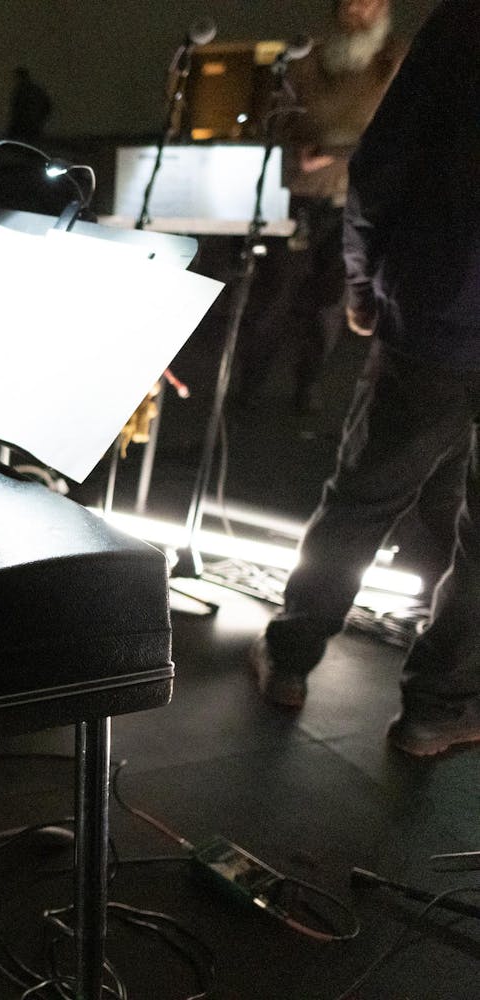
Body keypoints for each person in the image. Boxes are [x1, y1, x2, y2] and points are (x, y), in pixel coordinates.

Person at [250, 0, 480, 758]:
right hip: (444, 308)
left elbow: (383, 166)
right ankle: (437, 712)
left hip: (440, 312)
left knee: (364, 497)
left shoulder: (463, 23)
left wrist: (362, 282)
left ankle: (290, 661)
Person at [234, 0, 406, 412]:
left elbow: (399, 131)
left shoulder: (392, 62)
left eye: (368, 2)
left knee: (329, 302)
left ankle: (307, 385)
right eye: (350, 2)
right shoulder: (306, 60)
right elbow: (273, 119)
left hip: (354, 202)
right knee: (273, 294)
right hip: (298, 197)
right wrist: (298, 150)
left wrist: (335, 153)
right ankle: (248, 386)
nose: (357, 10)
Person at [6, 67, 52, 140]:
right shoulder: (35, 89)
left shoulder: (23, 90)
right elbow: (46, 106)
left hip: (25, 123)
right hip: (31, 123)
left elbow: (18, 107)